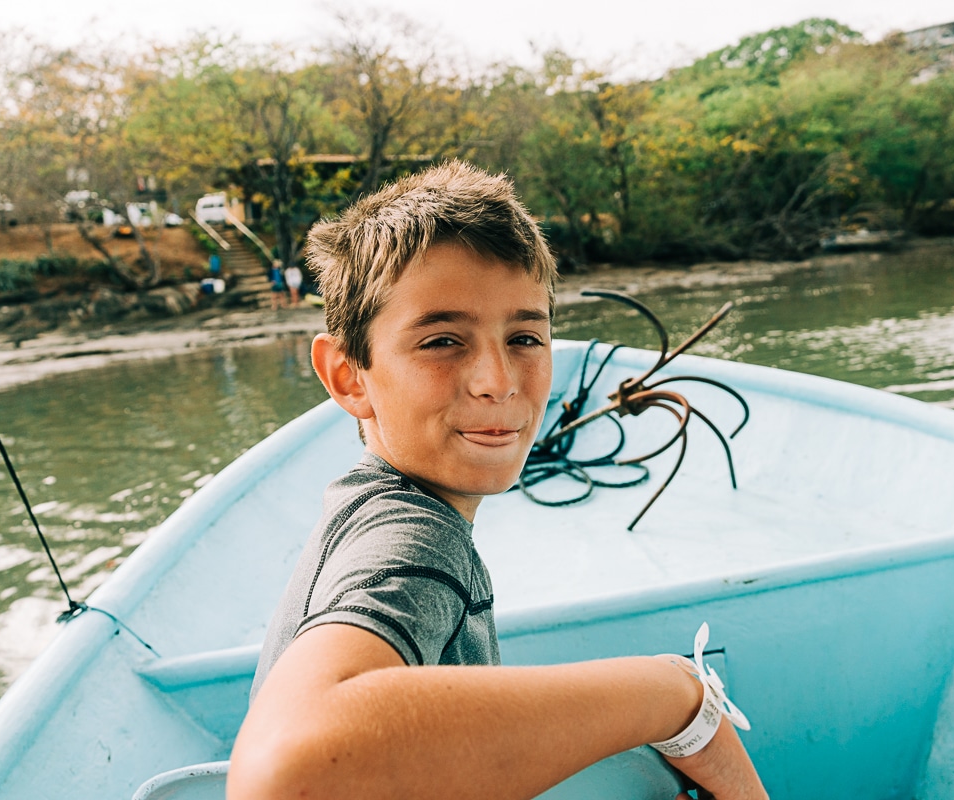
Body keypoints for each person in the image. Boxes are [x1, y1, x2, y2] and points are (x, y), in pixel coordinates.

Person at [229, 161, 768, 800]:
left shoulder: (364, 500)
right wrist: (676, 696)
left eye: (524, 337)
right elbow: (290, 768)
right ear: (349, 376)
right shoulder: (415, 536)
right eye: (441, 341)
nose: (498, 379)